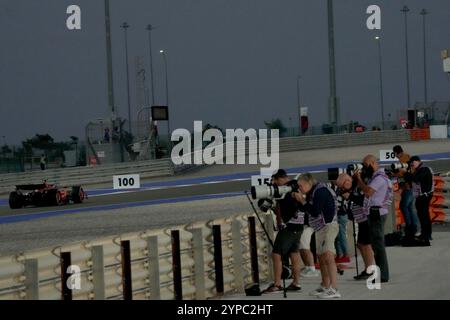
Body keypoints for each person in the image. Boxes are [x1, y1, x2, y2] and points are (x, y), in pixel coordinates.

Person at [294, 173, 341, 299]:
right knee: (321, 257)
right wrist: (300, 201)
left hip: (328, 226)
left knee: (328, 255)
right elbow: (306, 210)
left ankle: (334, 288)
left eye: (301, 185)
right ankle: (325, 285)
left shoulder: (320, 191)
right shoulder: (312, 192)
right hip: (320, 228)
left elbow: (314, 211)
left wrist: (302, 200)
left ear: (309, 183)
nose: (299, 188)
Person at [353, 155, 392, 283]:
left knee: (378, 245)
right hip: (375, 212)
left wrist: (359, 178)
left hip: (377, 213)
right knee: (376, 245)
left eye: (365, 165)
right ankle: (382, 274)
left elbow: (368, 192)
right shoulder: (377, 177)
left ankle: (382, 275)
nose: (364, 167)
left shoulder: (379, 178)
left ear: (373, 163)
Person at [262, 169, 302, 293]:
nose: (274, 182)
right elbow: (282, 207)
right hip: (298, 225)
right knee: (294, 254)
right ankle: (296, 283)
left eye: (275, 179)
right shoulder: (293, 186)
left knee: (276, 254)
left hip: (290, 226)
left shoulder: (290, 186)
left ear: (281, 178)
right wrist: (271, 205)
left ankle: (278, 284)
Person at [336, 173, 375, 280]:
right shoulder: (351, 188)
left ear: (348, 182)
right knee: (361, 245)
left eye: (343, 186)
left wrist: (350, 196)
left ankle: (369, 269)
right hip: (360, 219)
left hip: (366, 219)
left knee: (365, 245)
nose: (342, 188)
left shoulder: (359, 187)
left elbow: (365, 201)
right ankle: (368, 268)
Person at [392, 145, 419, 243]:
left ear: (396, 152)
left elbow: (404, 172)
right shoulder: (408, 156)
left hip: (408, 187)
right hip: (413, 186)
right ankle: (414, 228)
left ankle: (409, 227)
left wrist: (393, 173)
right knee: (411, 208)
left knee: (403, 206)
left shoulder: (403, 159)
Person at [405, 156, 434, 244]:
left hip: (424, 196)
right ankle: (425, 234)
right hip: (420, 196)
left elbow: (416, 179)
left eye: (412, 162)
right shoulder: (418, 170)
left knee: (424, 216)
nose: (411, 164)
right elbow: (412, 181)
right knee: (422, 216)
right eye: (410, 162)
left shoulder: (424, 169)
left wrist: (405, 173)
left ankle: (426, 234)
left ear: (418, 161)